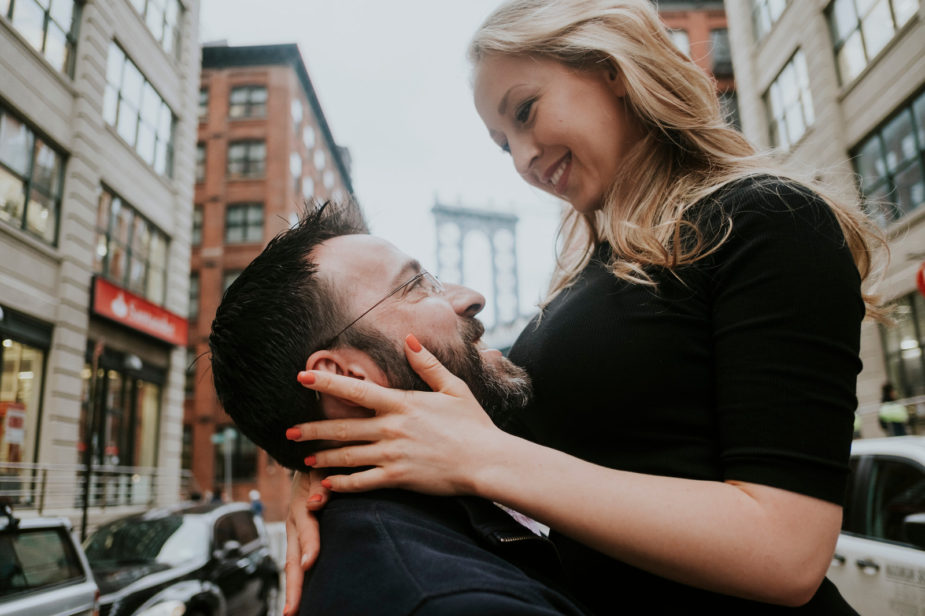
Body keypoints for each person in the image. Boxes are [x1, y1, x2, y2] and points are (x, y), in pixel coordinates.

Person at [283, 1, 886, 613]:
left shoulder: (766, 219)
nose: (522, 159)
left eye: (525, 111)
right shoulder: (594, 269)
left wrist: (487, 460)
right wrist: (319, 470)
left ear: (611, 68)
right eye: (502, 145)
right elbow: (470, 425)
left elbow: (787, 553)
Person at [208, 202, 591, 616]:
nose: (473, 298)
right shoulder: (460, 602)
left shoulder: (401, 550)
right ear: (345, 379)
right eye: (417, 286)